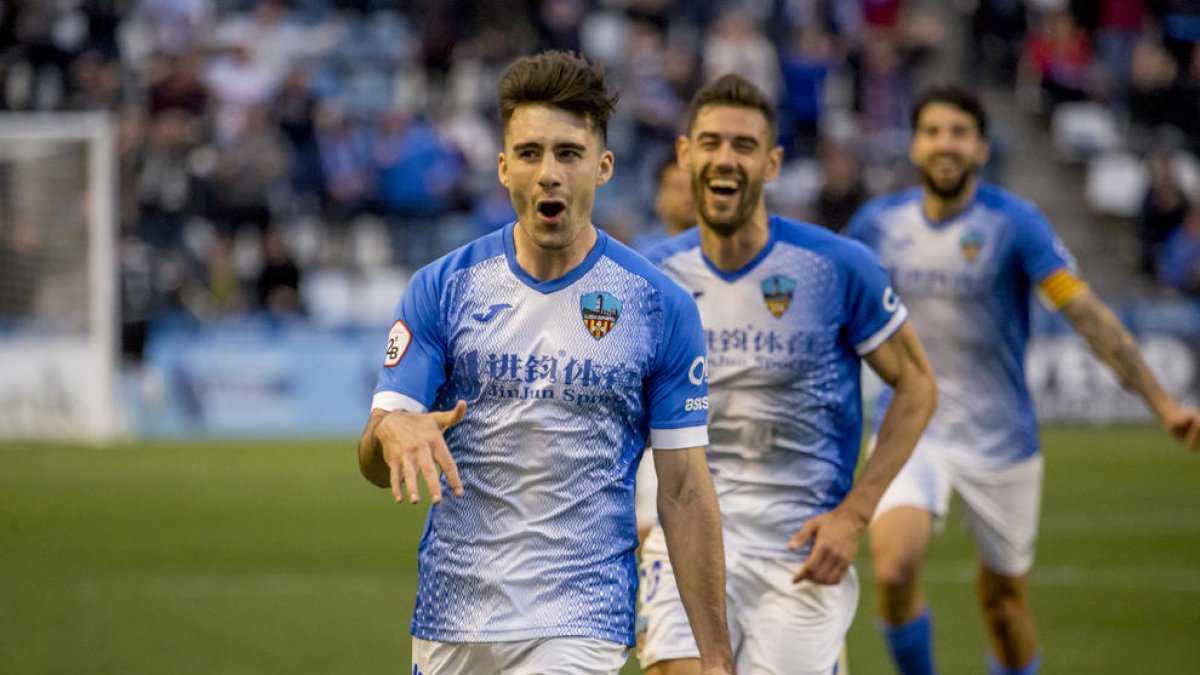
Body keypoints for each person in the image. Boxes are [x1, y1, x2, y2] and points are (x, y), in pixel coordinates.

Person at [355, 51, 734, 675]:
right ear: (503, 168)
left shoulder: (658, 306)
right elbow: (375, 461)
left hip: (580, 619)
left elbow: (686, 490)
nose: (549, 173)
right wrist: (388, 432)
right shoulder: (442, 289)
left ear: (603, 166)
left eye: (569, 153)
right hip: (454, 617)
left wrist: (716, 657)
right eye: (530, 154)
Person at [845, 84, 1200, 675]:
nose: (945, 145)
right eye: (933, 132)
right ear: (914, 145)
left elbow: (1085, 315)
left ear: (982, 148)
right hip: (911, 429)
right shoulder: (875, 225)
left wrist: (1164, 405)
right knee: (893, 569)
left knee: (1005, 609)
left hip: (1001, 437)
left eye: (959, 133)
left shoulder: (1015, 224)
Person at [636, 73, 938, 675]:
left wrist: (854, 515)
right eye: (712, 142)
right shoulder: (649, 277)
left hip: (799, 548)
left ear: (771, 163)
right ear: (685, 154)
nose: (726, 159)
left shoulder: (836, 266)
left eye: (744, 146)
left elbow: (918, 386)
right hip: (687, 540)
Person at [634, 154, 699, 255]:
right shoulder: (642, 254)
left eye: (695, 187)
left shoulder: (725, 252)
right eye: (678, 188)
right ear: (658, 199)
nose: (689, 197)